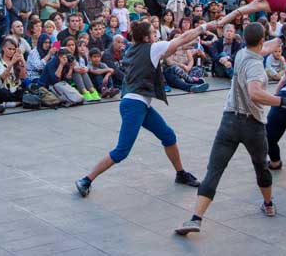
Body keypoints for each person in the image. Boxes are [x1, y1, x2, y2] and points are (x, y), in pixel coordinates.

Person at [175, 23, 286, 235]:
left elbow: (262, 48)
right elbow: (255, 93)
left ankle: (195, 218)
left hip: (229, 121)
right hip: (252, 125)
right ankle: (268, 204)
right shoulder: (255, 65)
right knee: (260, 166)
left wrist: (282, 39)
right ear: (262, 40)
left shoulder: (242, 54)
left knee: (214, 169)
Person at [74, 20, 211, 198]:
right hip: (134, 105)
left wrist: (184, 44)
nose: (155, 35)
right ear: (146, 37)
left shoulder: (133, 48)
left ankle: (180, 173)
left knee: (168, 136)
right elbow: (180, 38)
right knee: (122, 150)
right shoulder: (152, 48)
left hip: (137, 103)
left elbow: (170, 49)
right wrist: (203, 28)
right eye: (153, 33)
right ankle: (86, 179)